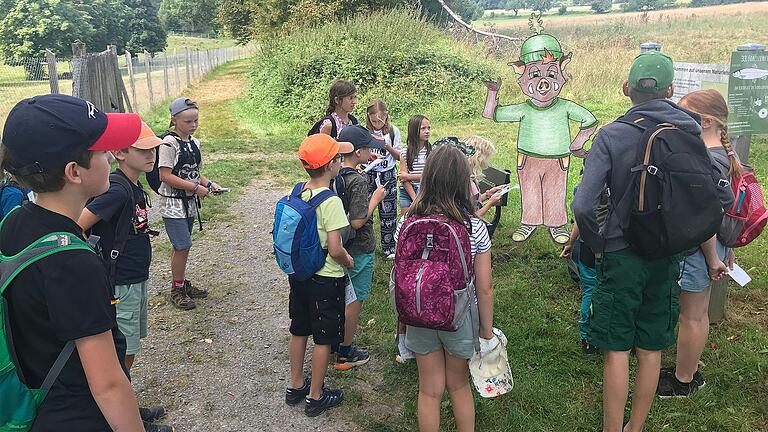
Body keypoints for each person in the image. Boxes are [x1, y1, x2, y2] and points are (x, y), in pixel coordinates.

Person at [572, 52, 733, 432]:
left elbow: (582, 203)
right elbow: (716, 197)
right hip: (667, 252)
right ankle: (636, 427)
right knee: (650, 348)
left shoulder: (611, 135)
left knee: (616, 348)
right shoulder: (692, 132)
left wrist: (597, 244)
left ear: (626, 89)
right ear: (672, 90)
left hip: (620, 251)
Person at [0, 94, 144, 430]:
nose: (110, 156)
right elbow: (107, 385)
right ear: (74, 172)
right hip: (75, 414)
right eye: (101, 151)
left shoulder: (13, 222)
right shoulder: (71, 263)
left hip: (33, 402)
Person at [77, 122, 173, 432]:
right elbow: (80, 223)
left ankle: (126, 404)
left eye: (153, 149)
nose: (151, 154)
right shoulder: (117, 189)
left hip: (134, 279)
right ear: (119, 153)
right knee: (123, 353)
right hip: (121, 283)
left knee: (129, 348)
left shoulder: (132, 186)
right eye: (143, 149)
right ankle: (118, 415)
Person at [396, 145, 494, 432]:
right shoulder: (474, 226)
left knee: (429, 391)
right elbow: (485, 288)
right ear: (463, 181)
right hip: (459, 318)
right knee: (459, 386)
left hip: (419, 313)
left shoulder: (406, 222)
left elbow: (401, 274)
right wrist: (486, 332)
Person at [657, 89, 741, 397]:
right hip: (713, 246)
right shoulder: (725, 153)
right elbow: (725, 209)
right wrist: (725, 249)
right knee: (698, 312)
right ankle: (688, 365)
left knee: (691, 315)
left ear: (704, 121)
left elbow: (704, 214)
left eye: (684, 115)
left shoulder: (707, 158)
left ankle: (683, 380)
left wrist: (712, 257)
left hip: (701, 250)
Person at [285, 134, 355, 417]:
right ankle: (316, 396)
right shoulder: (331, 201)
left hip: (300, 273)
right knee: (325, 338)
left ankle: (296, 386)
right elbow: (336, 248)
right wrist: (348, 261)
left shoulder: (298, 190)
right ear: (331, 165)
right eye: (337, 158)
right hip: (326, 277)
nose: (340, 161)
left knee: (299, 328)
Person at [158, 97, 222, 310]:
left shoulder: (194, 143)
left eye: (195, 120)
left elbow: (195, 172)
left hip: (189, 202)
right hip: (173, 203)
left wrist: (209, 184)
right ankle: (177, 288)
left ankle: (181, 282)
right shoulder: (168, 144)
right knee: (182, 245)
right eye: (188, 121)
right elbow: (165, 175)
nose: (193, 125)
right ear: (174, 120)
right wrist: (194, 188)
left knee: (183, 246)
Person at [332, 125, 386, 370]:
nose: (370, 151)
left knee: (340, 295)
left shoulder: (334, 174)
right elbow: (357, 220)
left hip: (340, 245)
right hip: (360, 248)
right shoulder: (359, 182)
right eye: (366, 148)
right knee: (354, 299)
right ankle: (345, 350)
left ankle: (334, 340)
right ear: (356, 152)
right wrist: (374, 199)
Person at [364, 99, 402, 259]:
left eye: (380, 121)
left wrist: (386, 147)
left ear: (386, 116)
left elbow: (400, 156)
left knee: (389, 213)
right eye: (374, 121)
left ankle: (389, 248)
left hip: (387, 174)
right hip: (369, 173)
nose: (377, 124)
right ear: (368, 118)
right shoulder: (364, 131)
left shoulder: (393, 132)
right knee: (366, 210)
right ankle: (367, 246)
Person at [464, 135, 503, 218]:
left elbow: (471, 203)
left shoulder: (463, 177)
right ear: (478, 158)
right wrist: (489, 204)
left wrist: (486, 195)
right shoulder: (468, 184)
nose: (487, 162)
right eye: (486, 157)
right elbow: (472, 217)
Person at [398, 115, 431, 212]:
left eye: (428, 128)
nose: (427, 131)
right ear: (414, 130)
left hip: (425, 189)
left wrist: (409, 176)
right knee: (407, 219)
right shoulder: (404, 153)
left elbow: (429, 177)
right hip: (407, 191)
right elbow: (403, 178)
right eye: (423, 128)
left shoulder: (432, 152)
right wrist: (414, 198)